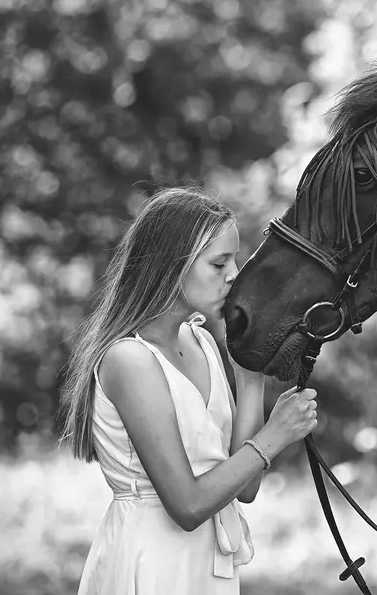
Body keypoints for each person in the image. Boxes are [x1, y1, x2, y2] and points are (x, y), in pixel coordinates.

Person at [58, 186, 318, 594]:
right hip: (152, 563)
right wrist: (276, 434)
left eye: (234, 260)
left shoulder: (202, 343)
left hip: (207, 569)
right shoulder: (130, 360)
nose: (234, 275)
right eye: (219, 263)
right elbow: (188, 505)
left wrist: (250, 381)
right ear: (171, 265)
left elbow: (244, 487)